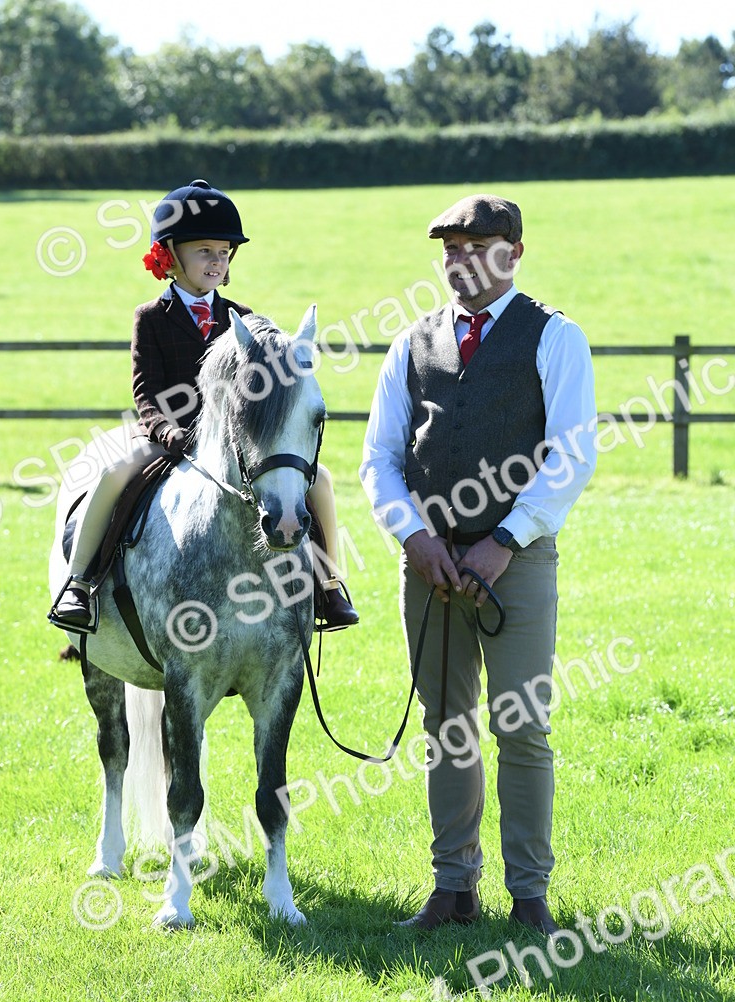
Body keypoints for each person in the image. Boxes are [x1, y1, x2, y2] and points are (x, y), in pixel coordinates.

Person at [359, 193, 597, 934]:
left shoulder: (555, 337)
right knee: (445, 726)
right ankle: (454, 891)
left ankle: (530, 899)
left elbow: (570, 456)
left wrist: (505, 541)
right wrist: (415, 538)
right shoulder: (411, 343)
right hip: (429, 568)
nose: (460, 261)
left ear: (514, 252)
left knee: (521, 727)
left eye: (477, 246)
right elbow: (378, 460)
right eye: (450, 249)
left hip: (516, 564)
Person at [52, 178, 358, 632]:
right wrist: (168, 432)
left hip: (232, 441)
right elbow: (146, 391)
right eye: (204, 252)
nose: (217, 261)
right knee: (114, 474)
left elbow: (263, 389)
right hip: (168, 437)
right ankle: (79, 582)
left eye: (223, 252)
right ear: (171, 256)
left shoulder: (243, 317)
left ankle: (329, 586)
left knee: (321, 481)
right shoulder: (152, 318)